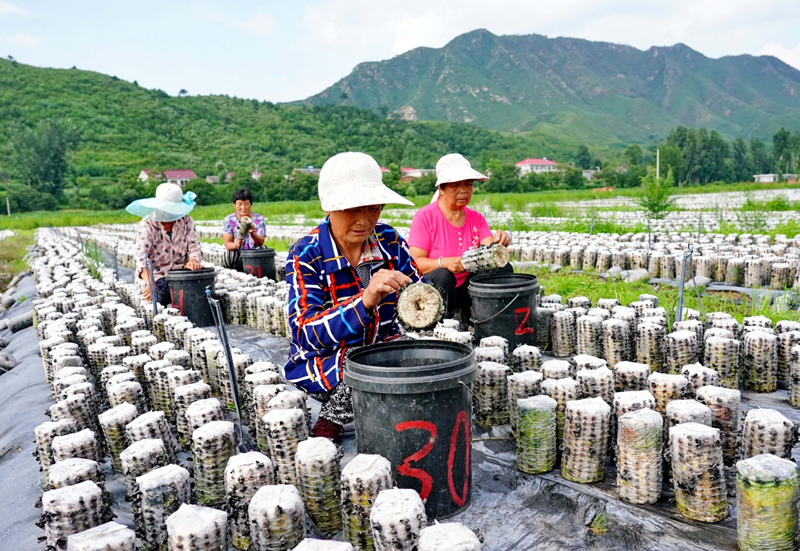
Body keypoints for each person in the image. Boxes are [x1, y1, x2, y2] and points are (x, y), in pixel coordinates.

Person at [283, 152, 423, 443]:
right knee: (359, 368)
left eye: (373, 208)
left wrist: (421, 306)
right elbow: (305, 332)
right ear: (331, 209)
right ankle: (333, 415)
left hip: (383, 347)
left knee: (419, 358)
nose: (364, 220)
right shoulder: (307, 254)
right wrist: (364, 301)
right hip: (330, 362)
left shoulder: (389, 241)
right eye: (352, 209)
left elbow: (416, 291)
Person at [408, 153, 512, 317]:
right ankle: (438, 323)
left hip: (468, 290)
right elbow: (415, 264)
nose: (463, 190)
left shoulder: (476, 219)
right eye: (455, 185)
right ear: (441, 188)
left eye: (468, 184)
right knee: (443, 274)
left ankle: (489, 319)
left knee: (502, 268)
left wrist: (498, 244)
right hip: (437, 289)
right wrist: (443, 262)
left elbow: (488, 248)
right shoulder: (425, 217)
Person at [128, 183, 203, 306]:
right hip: (156, 275)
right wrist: (150, 282)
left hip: (181, 273)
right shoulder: (148, 224)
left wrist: (194, 260)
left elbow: (194, 246)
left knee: (200, 290)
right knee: (160, 292)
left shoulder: (186, 221)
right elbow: (141, 256)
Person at [221, 188, 267, 271]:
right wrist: (235, 245)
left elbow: (261, 242)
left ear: (250, 204)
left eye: (246, 204)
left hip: (253, 253)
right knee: (228, 256)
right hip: (238, 254)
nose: (243, 207)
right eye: (240, 204)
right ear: (235, 205)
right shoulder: (229, 220)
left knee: (262, 249)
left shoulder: (259, 219)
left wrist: (252, 233)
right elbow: (227, 243)